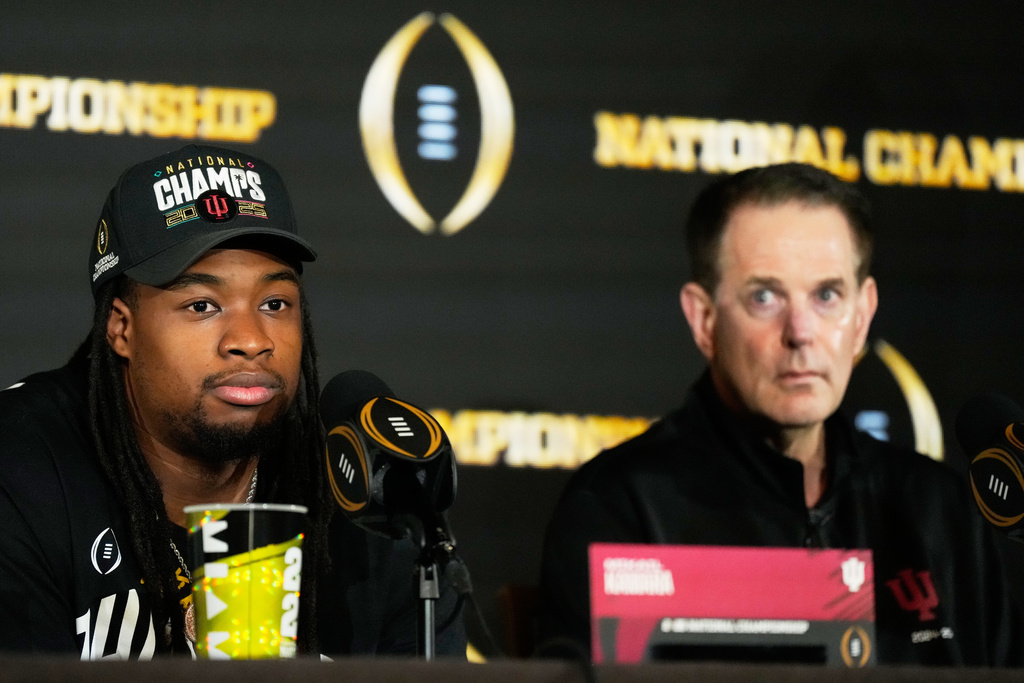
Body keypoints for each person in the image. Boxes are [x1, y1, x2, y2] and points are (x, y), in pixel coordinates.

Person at [538, 163, 1019, 665]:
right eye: (764, 297)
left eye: (827, 295)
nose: (801, 331)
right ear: (704, 321)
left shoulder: (937, 510)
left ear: (862, 317)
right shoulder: (621, 510)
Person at [0, 144, 465, 659]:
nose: (249, 339)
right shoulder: (21, 465)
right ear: (121, 328)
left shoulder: (362, 499)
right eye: (202, 305)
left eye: (274, 304)